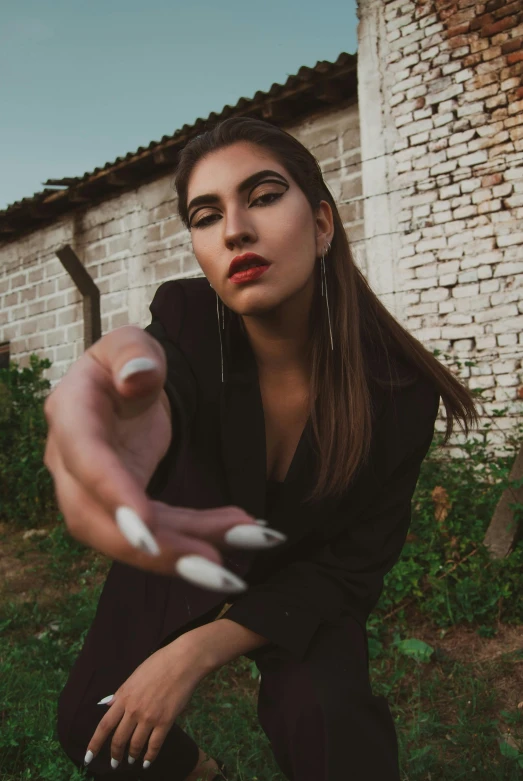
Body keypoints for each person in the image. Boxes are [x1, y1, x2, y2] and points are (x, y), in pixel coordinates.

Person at [46, 117, 478, 781]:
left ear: (323, 224)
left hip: (303, 576)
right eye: (205, 214)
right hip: (189, 553)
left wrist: (194, 651)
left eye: (264, 195)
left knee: (333, 730)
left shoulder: (398, 390)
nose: (234, 230)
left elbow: (351, 568)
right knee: (95, 727)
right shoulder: (187, 321)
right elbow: (156, 372)